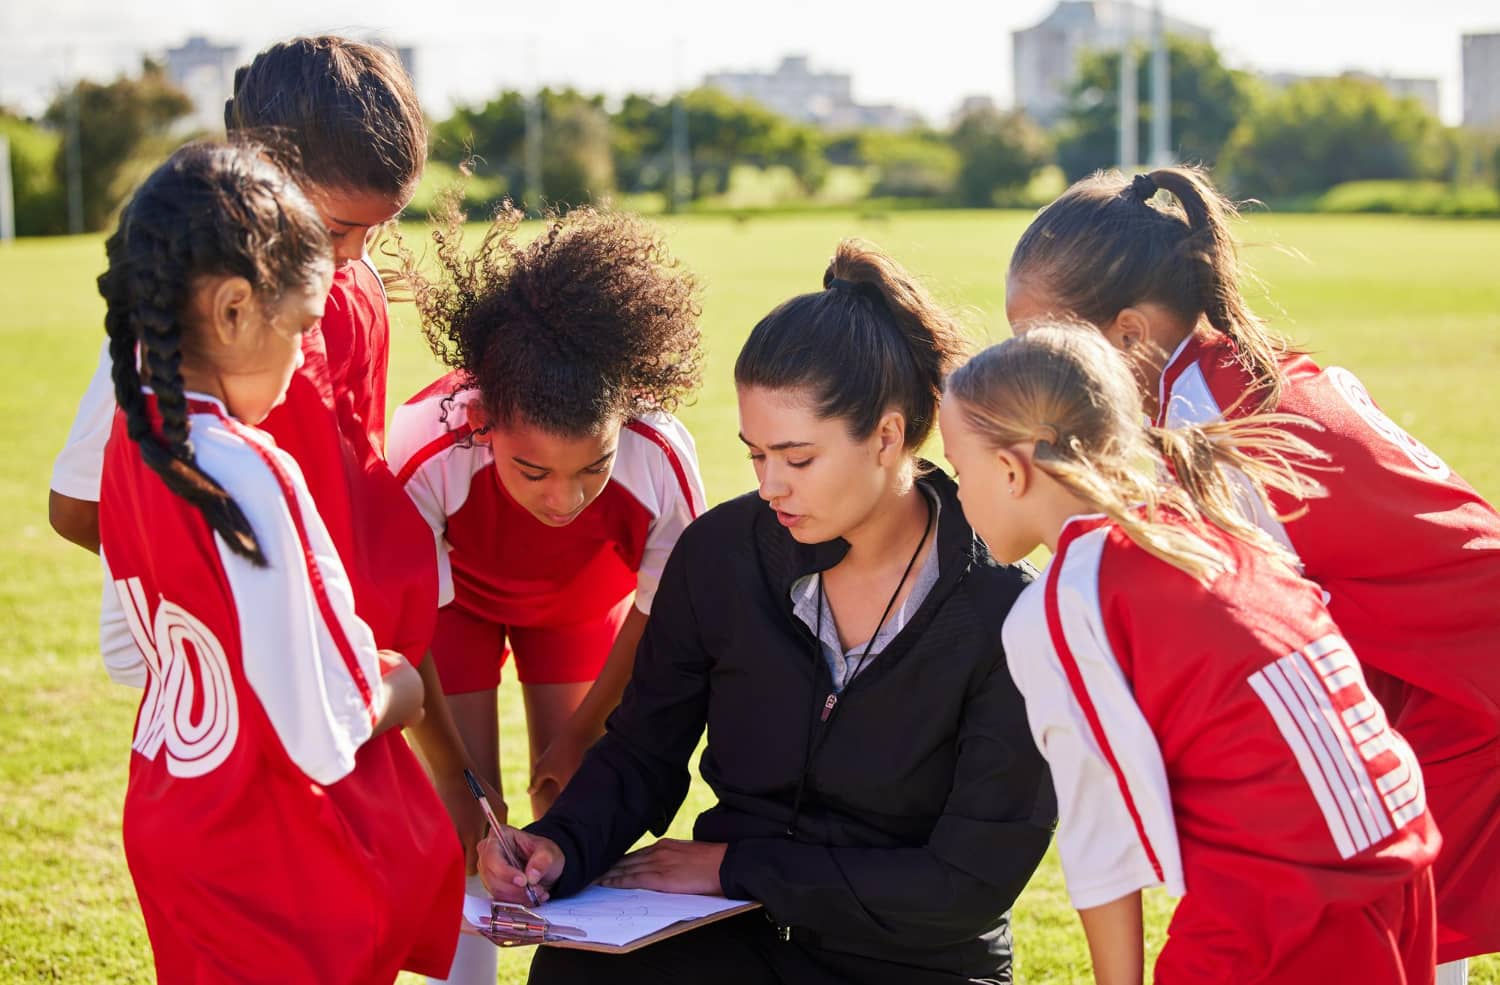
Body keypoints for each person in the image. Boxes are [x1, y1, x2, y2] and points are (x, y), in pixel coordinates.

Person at [477, 240, 1055, 985]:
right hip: (740, 932)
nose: (771, 486)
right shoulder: (721, 553)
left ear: (886, 436)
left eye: (798, 458)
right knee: (575, 970)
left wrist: (737, 866)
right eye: (756, 456)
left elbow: (966, 886)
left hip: (914, 958)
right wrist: (561, 841)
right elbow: (642, 749)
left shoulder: (1006, 608)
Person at [1004, 166, 1500, 978]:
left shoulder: (1212, 427)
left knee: (1392, 900)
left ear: (1128, 334)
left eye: (1041, 342)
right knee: (1395, 896)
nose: (1033, 366)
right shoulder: (1222, 375)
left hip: (1468, 685)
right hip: (1430, 668)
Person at [941, 323, 1440, 985]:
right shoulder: (1204, 524)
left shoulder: (1064, 601)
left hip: (1293, 891)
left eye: (956, 468)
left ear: (1010, 470)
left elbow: (1101, 842)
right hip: (1394, 839)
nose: (956, 494)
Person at [94, 141, 462, 983]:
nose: (303, 356)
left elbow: (129, 650)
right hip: (267, 859)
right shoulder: (250, 465)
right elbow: (322, 730)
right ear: (231, 311)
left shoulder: (133, 437)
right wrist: (399, 686)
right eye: (298, 326)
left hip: (171, 821)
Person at [386, 200, 707, 984]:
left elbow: (659, 618)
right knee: (472, 814)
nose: (565, 499)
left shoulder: (659, 455)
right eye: (534, 471)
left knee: (574, 802)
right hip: (452, 607)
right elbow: (408, 622)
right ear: (486, 424)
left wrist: (582, 733)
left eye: (592, 467)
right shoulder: (425, 446)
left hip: (576, 606)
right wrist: (462, 780)